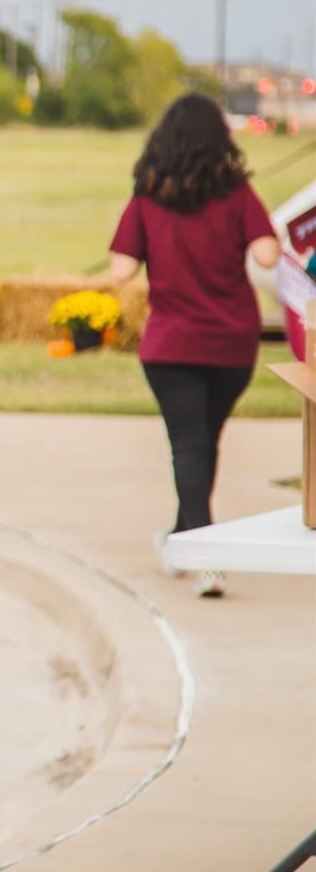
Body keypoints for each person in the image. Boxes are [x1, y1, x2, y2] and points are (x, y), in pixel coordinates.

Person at [108, 92, 280, 599]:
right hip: (231, 342)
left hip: (172, 343)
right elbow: (267, 255)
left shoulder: (147, 194)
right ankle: (185, 536)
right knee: (203, 441)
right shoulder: (238, 193)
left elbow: (121, 271)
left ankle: (206, 556)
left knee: (189, 444)